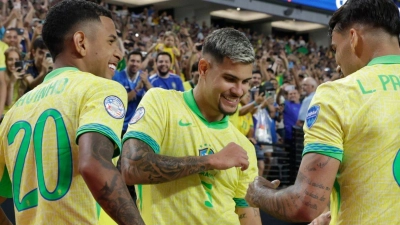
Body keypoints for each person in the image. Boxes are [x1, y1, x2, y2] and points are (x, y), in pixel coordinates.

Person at [245, 0, 400, 224]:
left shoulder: (339, 94)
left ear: (354, 38)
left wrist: (258, 192)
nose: (336, 63)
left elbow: (305, 205)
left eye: (335, 49)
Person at [0, 1, 144, 225]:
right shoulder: (99, 88)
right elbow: (94, 164)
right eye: (111, 41)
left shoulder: (15, 111)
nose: (118, 54)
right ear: (81, 42)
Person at [120, 28, 261, 225]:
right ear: (203, 68)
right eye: (230, 79)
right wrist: (211, 160)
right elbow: (131, 167)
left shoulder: (244, 147)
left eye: (245, 82)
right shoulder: (161, 102)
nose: (239, 91)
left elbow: (248, 217)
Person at [113, 51, 152, 136]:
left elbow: (154, 95)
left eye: (138, 61)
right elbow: (120, 102)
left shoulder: (144, 77)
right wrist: (137, 89)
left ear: (141, 63)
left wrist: (146, 82)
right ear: (127, 61)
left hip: (137, 126)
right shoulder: (117, 76)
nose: (135, 64)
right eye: (132, 61)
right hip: (119, 125)